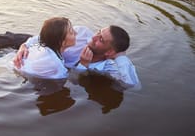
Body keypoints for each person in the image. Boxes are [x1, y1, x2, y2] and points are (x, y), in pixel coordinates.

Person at [12, 25, 140, 89]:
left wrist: (121, 56)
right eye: (98, 32)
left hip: (44, 59)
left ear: (110, 52)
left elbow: (132, 84)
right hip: (37, 45)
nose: (93, 37)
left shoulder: (106, 67)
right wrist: (24, 45)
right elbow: (50, 36)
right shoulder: (82, 33)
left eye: (100, 39)